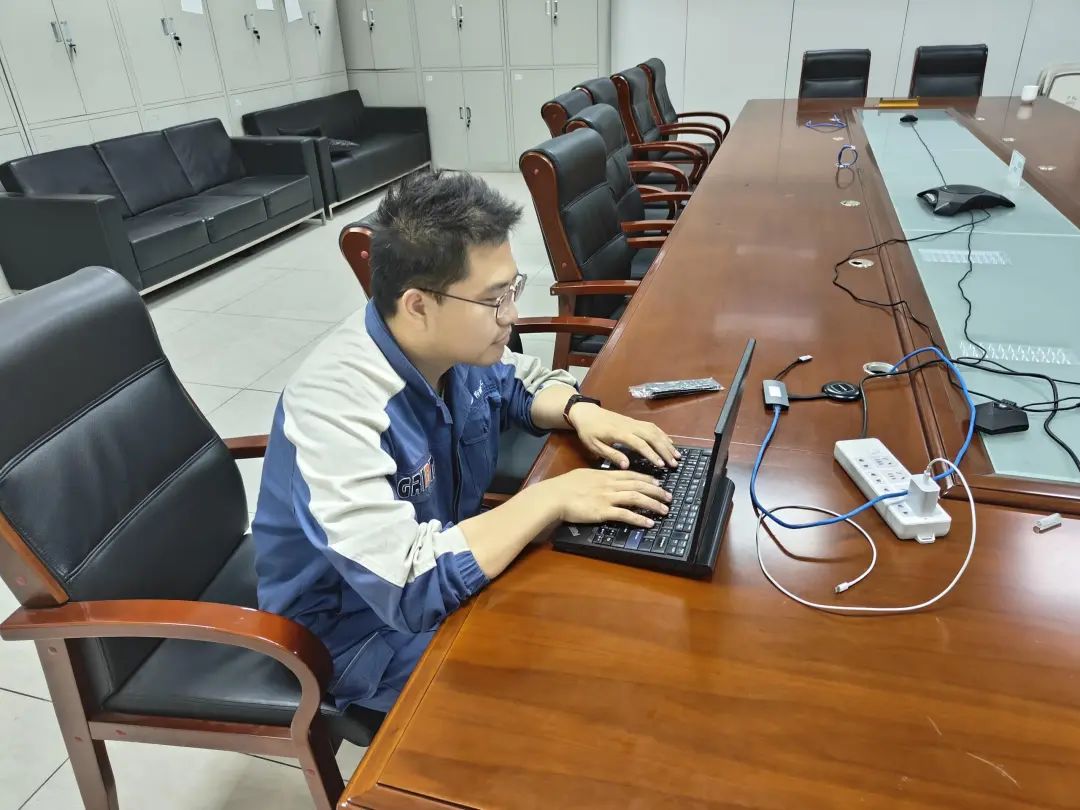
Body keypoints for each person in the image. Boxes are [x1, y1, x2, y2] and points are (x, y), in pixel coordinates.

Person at [251, 171, 678, 712]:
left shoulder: (451, 349)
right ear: (418, 305)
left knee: (600, 612)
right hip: (354, 634)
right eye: (494, 300)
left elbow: (518, 383)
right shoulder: (335, 404)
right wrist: (550, 497)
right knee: (566, 681)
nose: (512, 316)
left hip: (444, 563)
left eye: (513, 291)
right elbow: (410, 586)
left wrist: (580, 411)